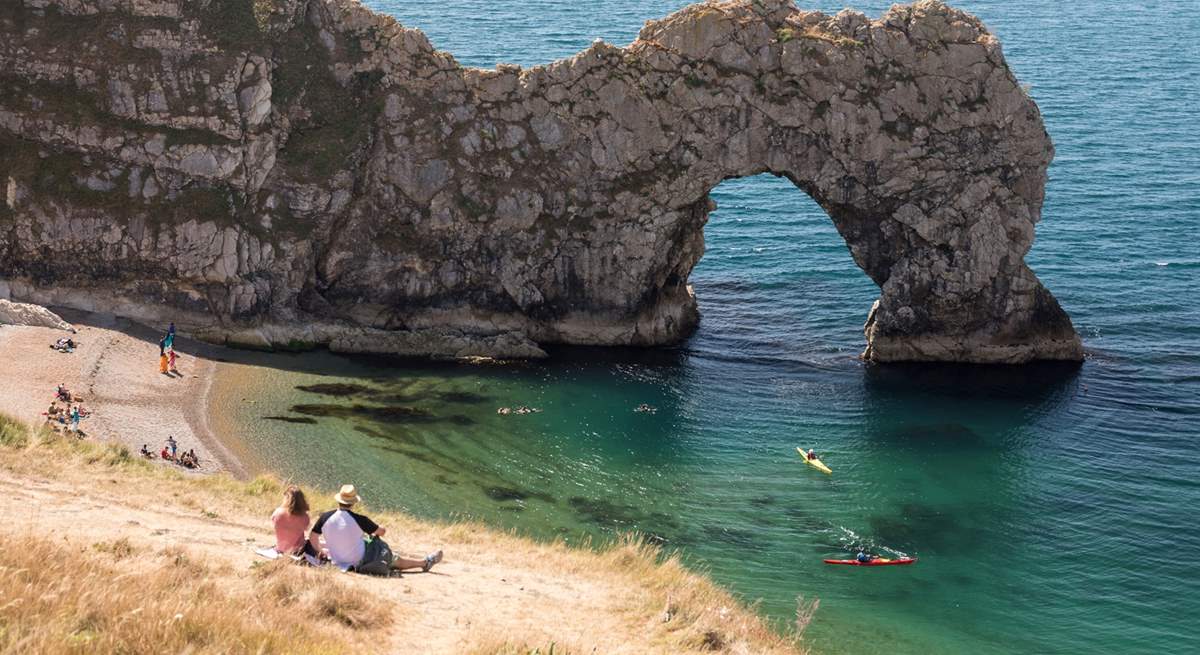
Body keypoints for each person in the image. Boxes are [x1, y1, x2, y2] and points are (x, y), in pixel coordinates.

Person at [308, 484, 443, 574]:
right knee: (392, 557)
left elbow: (313, 537)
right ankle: (425, 563)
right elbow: (381, 532)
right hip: (360, 559)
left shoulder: (325, 517)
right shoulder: (360, 519)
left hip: (336, 560)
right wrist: (380, 527)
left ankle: (423, 562)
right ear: (353, 503)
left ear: (339, 500)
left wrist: (321, 552)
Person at [271, 486, 315, 557]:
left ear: (286, 498)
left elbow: (274, 524)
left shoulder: (278, 513)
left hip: (280, 548)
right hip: (297, 551)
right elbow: (306, 528)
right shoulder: (305, 517)